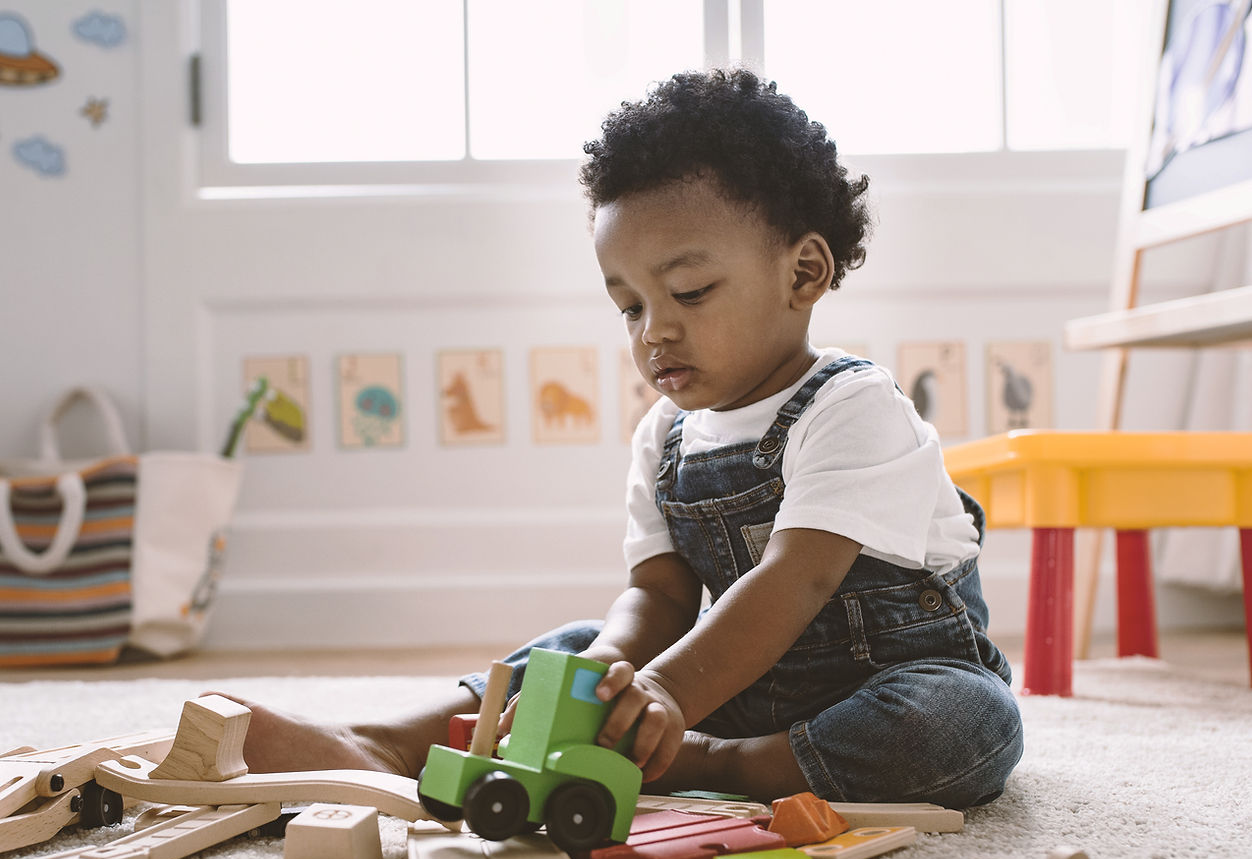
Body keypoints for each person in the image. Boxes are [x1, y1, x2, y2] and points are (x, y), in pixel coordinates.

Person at [227, 69, 1022, 807]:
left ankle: (711, 766)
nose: (655, 331)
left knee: (961, 723)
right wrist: (611, 670)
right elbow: (661, 596)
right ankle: (386, 745)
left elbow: (795, 583)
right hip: (731, 684)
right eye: (630, 306)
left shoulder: (855, 407)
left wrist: (671, 695)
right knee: (573, 649)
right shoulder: (665, 435)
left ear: (804, 273)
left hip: (883, 681)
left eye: (689, 291)